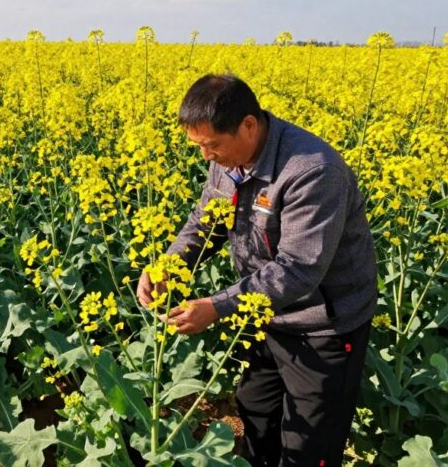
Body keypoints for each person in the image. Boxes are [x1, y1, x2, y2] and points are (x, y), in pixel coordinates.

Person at [138, 74, 377, 467]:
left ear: (248, 125)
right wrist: (169, 264)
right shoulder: (228, 160)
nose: (205, 157)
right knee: (256, 413)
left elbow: (298, 269)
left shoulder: (311, 170)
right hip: (262, 313)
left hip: (322, 326)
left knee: (309, 443)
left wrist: (217, 306)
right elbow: (206, 221)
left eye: (211, 145)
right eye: (198, 146)